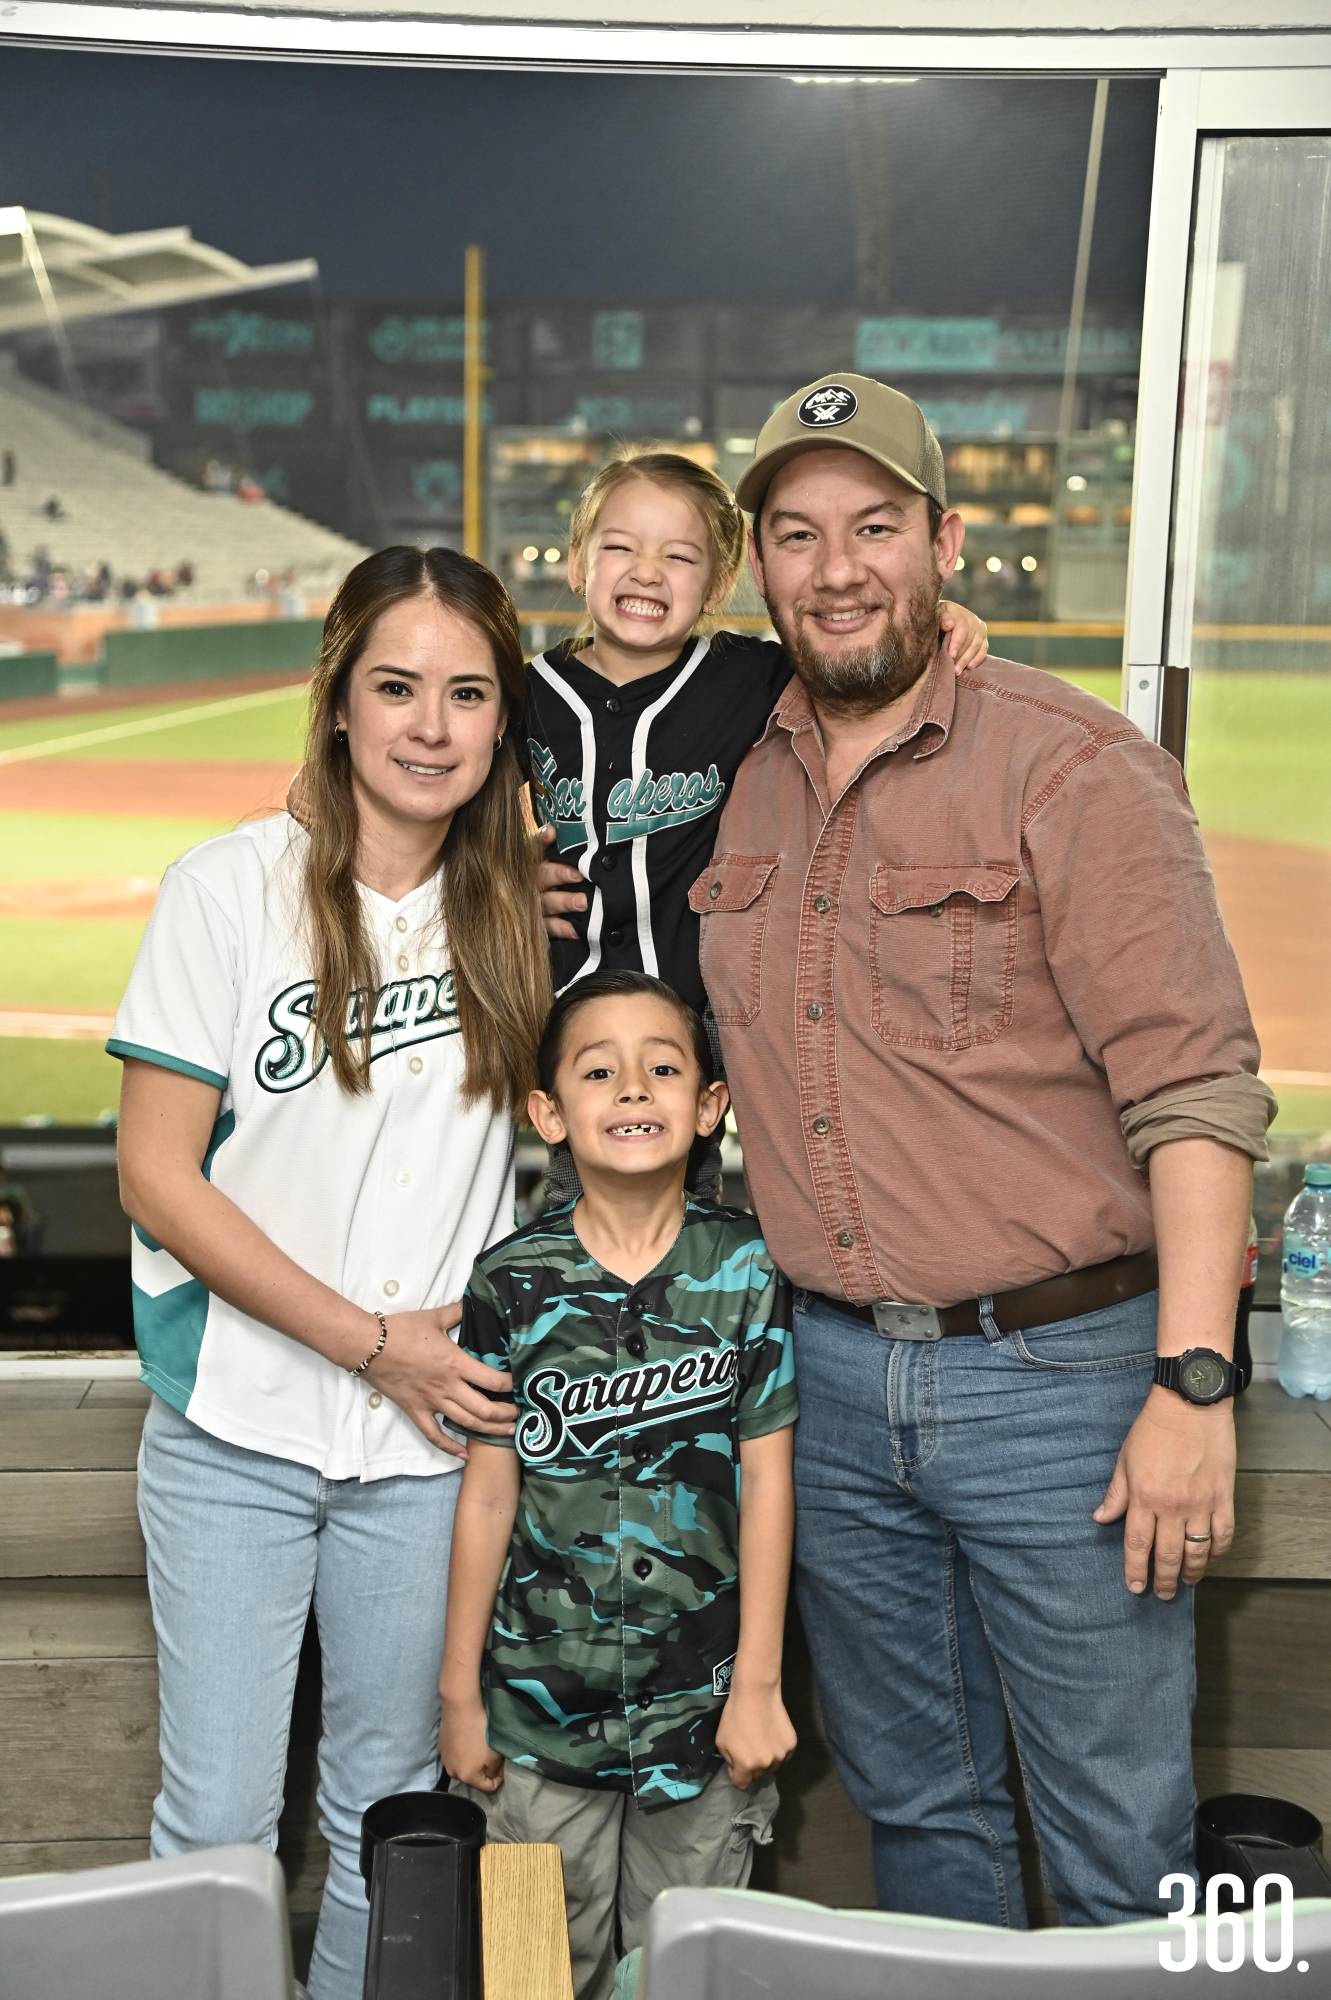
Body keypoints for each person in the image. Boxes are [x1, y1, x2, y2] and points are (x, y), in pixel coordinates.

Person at [686, 373, 1276, 1928]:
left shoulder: (1068, 766)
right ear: (758, 565)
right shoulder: (730, 773)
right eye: (796, 534)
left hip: (1065, 1388)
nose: (836, 568)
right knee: (920, 1816)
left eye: (873, 526)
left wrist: (1192, 1380)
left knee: (1114, 1829)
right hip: (824, 1381)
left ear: (941, 541)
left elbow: (1194, 1087)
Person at [108, 546, 551, 2000]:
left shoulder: (526, 910)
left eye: (467, 693)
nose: (431, 726)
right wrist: (376, 1343)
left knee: (396, 1820)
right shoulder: (228, 890)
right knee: (220, 1824)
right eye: (397, 687)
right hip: (238, 1424)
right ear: (340, 704)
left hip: (431, 1447)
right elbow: (157, 1178)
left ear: (504, 720)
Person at [441, 969, 799, 2000]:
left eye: (662, 1067)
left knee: (682, 1974)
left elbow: (767, 1482)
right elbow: (487, 1495)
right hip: (534, 1723)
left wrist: (758, 1687)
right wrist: (459, 1692)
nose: (633, 1089)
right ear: (548, 1110)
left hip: (700, 1719)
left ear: (707, 1105)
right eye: (599, 1070)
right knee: (524, 1977)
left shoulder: (747, 1270)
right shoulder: (510, 1279)